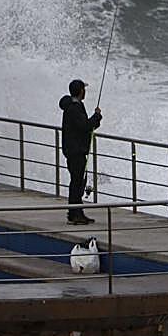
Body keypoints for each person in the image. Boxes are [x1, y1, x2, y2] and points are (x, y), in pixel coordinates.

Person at [59, 78, 102, 225]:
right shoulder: (74, 108)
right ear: (81, 91)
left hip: (74, 150)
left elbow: (84, 126)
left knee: (78, 182)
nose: (85, 92)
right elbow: (85, 127)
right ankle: (74, 214)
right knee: (77, 183)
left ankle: (77, 212)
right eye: (84, 89)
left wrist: (95, 120)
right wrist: (96, 116)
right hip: (76, 151)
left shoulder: (72, 106)